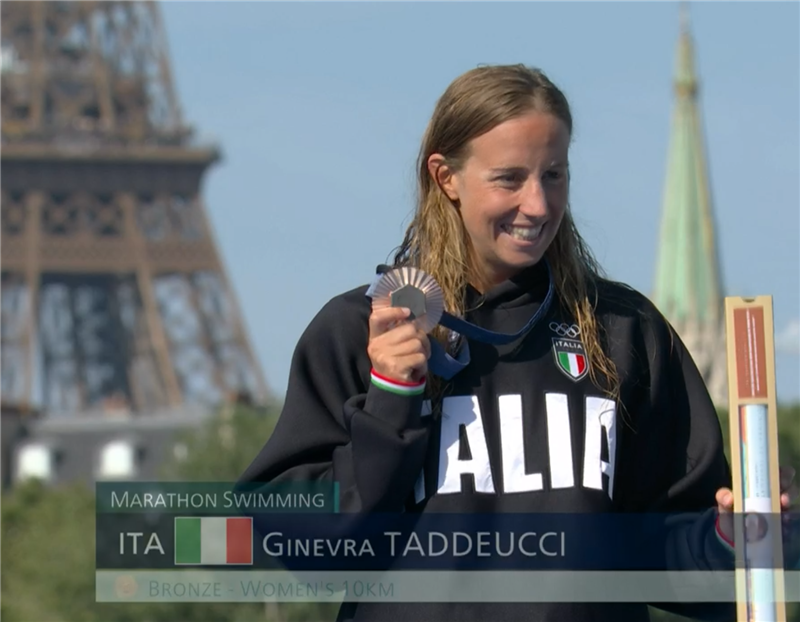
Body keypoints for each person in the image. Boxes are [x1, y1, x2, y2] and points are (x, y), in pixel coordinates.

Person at [239, 64, 798, 622]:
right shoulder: (359, 328)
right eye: (510, 178)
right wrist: (389, 401)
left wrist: (735, 540)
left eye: (554, 175)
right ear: (446, 177)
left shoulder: (626, 330)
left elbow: (667, 550)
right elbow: (306, 549)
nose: (537, 204)